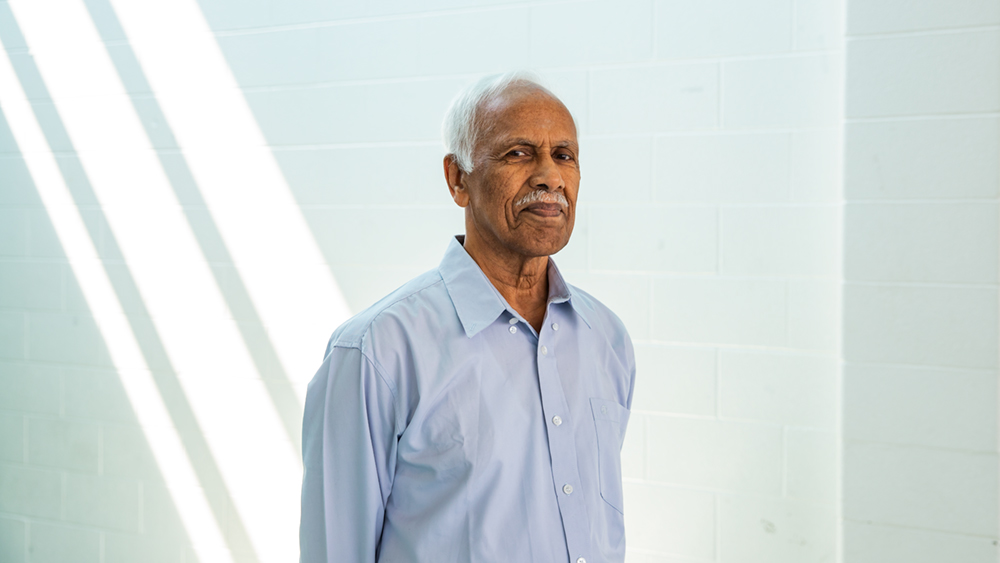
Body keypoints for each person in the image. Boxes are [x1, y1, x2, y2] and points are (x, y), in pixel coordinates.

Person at [299, 71, 636, 563]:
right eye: (518, 153)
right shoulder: (378, 351)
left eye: (564, 155)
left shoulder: (607, 339)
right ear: (458, 179)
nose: (549, 176)